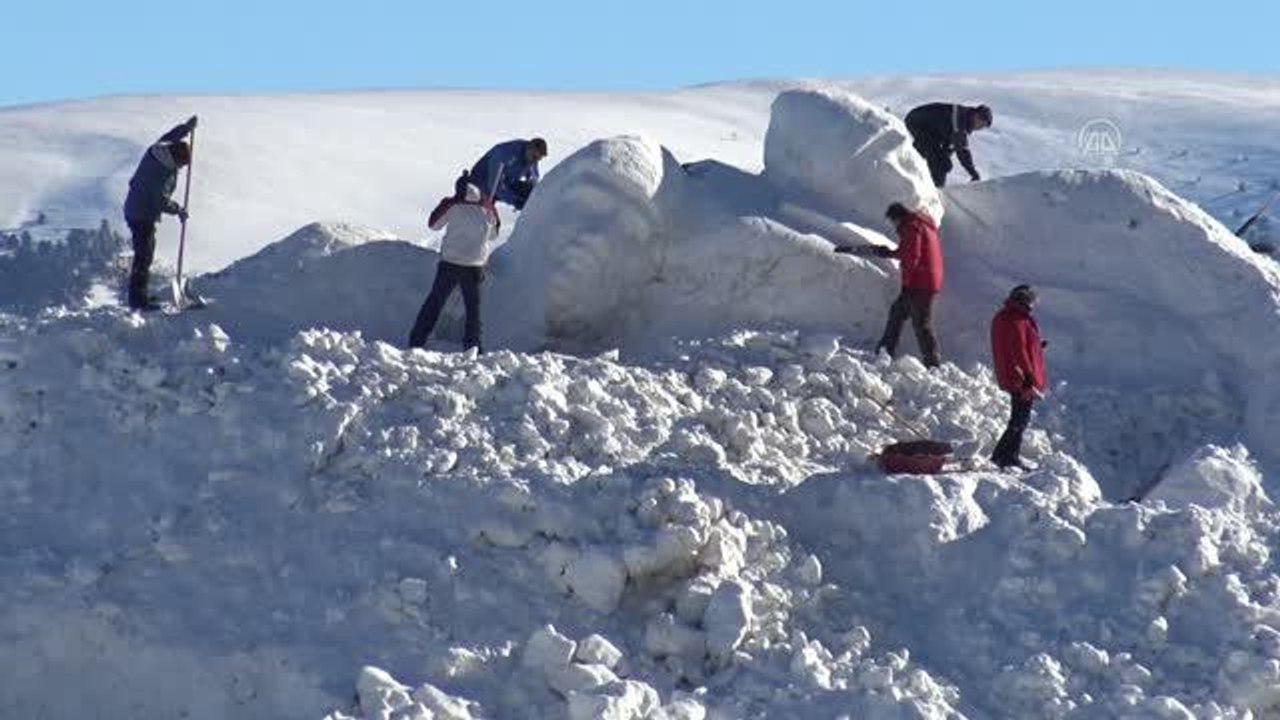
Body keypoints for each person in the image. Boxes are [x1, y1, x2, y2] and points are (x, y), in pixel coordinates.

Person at [841, 203, 943, 367]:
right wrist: (888, 252)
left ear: (897, 217)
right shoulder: (921, 225)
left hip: (920, 283)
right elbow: (909, 252)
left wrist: (907, 285)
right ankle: (884, 351)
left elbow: (912, 257)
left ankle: (933, 363)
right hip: (926, 280)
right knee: (897, 313)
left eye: (893, 221)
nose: (893, 225)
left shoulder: (911, 226)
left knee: (921, 323)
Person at [407, 181, 500, 353]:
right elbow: (493, 235)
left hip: (450, 263)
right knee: (473, 311)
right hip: (474, 266)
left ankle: (416, 341)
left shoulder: (452, 205)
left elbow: (434, 225)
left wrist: (446, 203)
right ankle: (473, 348)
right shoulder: (487, 207)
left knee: (434, 304)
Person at [122, 115, 197, 310]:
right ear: (175, 159)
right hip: (141, 214)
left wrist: (185, 128)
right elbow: (160, 200)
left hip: (136, 209)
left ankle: (141, 295)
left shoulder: (158, 150)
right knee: (144, 255)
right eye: (181, 165)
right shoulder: (160, 172)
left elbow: (170, 136)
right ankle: (138, 300)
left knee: (145, 253)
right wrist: (179, 210)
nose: (181, 169)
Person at [990, 284, 1048, 470]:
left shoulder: (1005, 316)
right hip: (1019, 377)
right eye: (1031, 301)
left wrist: (1037, 346)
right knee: (1020, 419)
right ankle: (1004, 456)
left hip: (1012, 373)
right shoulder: (1017, 320)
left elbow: (1016, 345)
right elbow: (1018, 350)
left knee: (1019, 418)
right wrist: (1028, 378)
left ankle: (1005, 455)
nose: (1033, 305)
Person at [904, 103, 992, 188]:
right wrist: (973, 173)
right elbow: (962, 150)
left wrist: (946, 157)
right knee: (938, 163)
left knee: (944, 163)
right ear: (976, 116)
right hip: (917, 123)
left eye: (983, 127)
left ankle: (912, 169)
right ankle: (935, 189)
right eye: (981, 124)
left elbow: (951, 143)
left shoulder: (964, 121)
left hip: (932, 130)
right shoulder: (960, 119)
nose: (980, 128)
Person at [461, 138, 548, 210]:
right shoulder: (504, 152)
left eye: (538, 159)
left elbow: (534, 180)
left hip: (505, 183)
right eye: (534, 157)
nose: (535, 161)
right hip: (482, 183)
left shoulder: (531, 160)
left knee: (529, 193)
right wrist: (515, 201)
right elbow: (494, 185)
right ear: (529, 148)